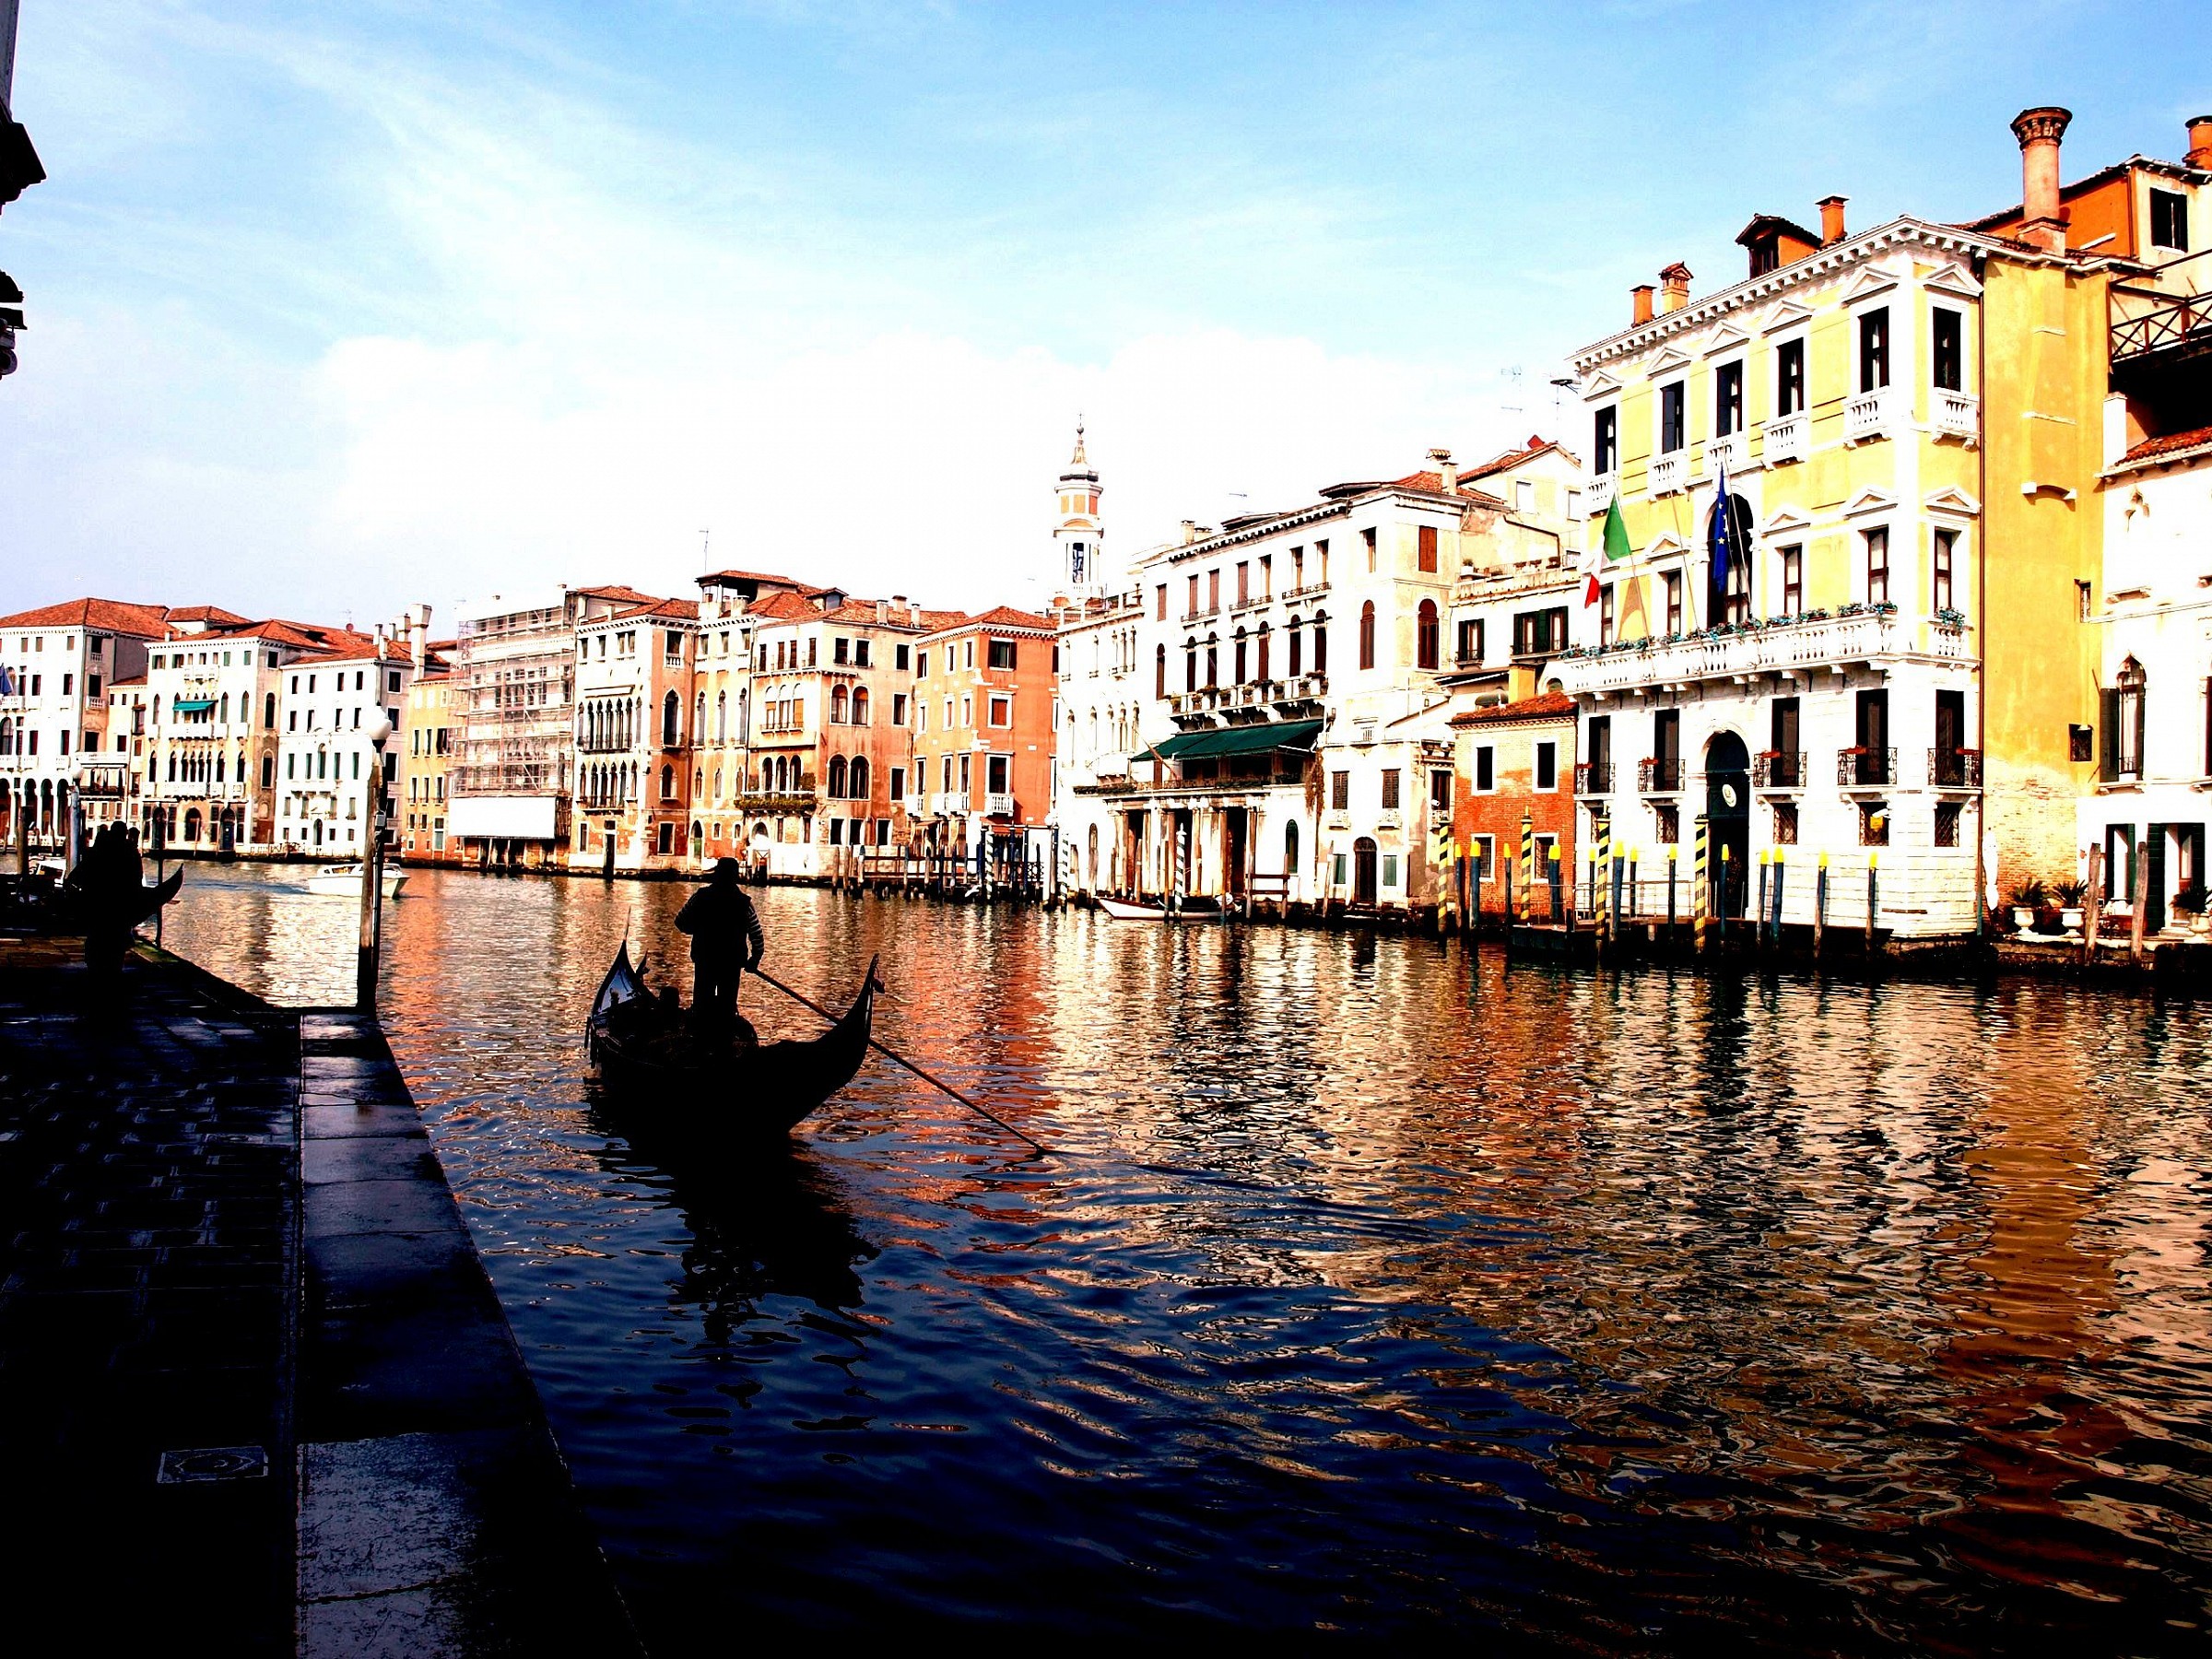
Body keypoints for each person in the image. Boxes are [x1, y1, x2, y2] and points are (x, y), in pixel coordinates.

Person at [674, 856, 764, 1026]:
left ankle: (700, 1034)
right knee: (727, 1009)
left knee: (701, 1007)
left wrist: (697, 930)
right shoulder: (744, 903)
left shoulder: (700, 897)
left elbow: (680, 922)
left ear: (717, 874)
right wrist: (755, 959)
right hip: (731, 963)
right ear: (735, 876)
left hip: (705, 959)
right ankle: (724, 1035)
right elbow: (757, 936)